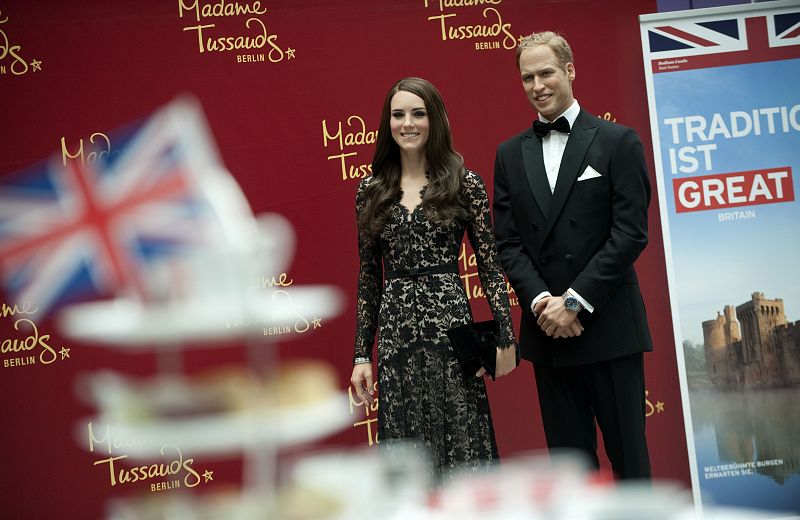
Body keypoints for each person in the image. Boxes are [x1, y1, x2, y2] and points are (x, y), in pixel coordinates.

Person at [492, 32, 653, 479]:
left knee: (631, 469)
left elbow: (630, 233)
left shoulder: (619, 141)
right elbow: (507, 242)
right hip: (549, 336)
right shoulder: (508, 155)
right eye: (528, 77)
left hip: (609, 328)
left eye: (546, 73)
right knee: (571, 478)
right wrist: (544, 302)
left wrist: (575, 301)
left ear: (570, 71)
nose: (537, 85)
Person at [350, 77, 517, 480]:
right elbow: (370, 278)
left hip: (451, 333)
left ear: (434, 120)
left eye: (418, 113)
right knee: (407, 455)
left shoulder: (465, 183)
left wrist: (505, 336)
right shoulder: (370, 191)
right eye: (398, 114)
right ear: (387, 123)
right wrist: (360, 354)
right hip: (396, 339)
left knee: (464, 443)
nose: (408, 123)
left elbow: (490, 265)